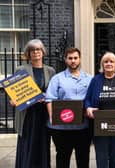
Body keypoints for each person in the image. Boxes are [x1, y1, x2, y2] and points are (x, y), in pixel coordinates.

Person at [45, 47, 92, 168]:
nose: (73, 61)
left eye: (75, 58)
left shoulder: (90, 78)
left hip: (83, 127)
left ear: (80, 59)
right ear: (65, 60)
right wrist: (52, 117)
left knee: (83, 158)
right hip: (62, 128)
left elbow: (93, 100)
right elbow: (50, 99)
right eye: (70, 58)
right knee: (62, 158)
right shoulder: (57, 78)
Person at [84, 52, 115, 168]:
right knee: (102, 157)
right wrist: (88, 108)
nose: (109, 64)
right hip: (100, 126)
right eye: (106, 61)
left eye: (111, 61)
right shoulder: (96, 80)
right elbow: (87, 99)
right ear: (102, 65)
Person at [12, 39, 55, 168]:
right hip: (28, 113)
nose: (36, 52)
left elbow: (53, 92)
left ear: (43, 52)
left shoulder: (50, 71)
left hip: (43, 113)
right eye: (32, 50)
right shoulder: (21, 69)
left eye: (38, 49)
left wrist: (45, 96)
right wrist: (14, 99)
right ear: (28, 53)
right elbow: (15, 92)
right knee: (27, 144)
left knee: (42, 143)